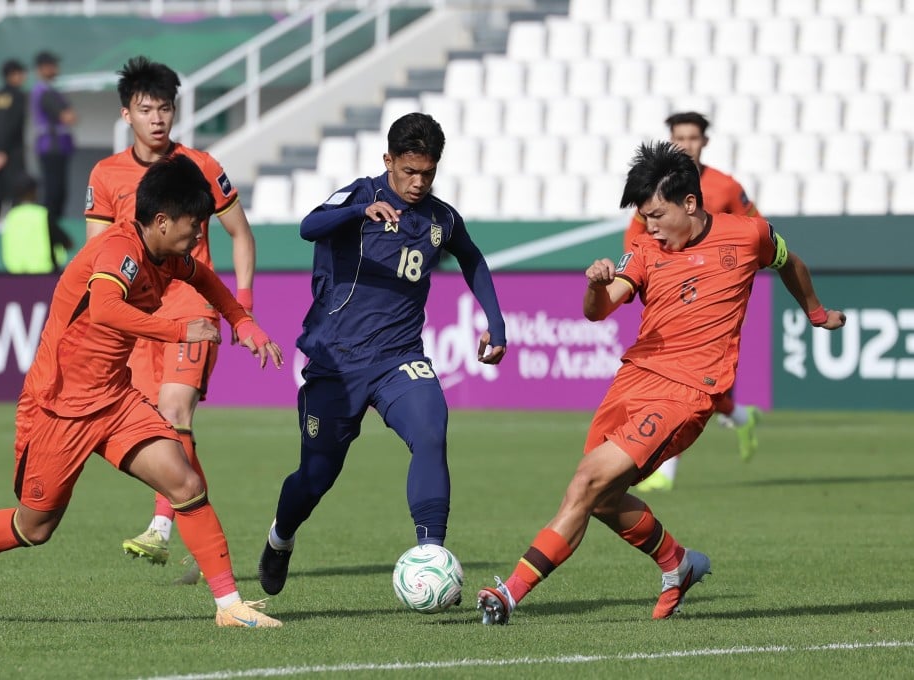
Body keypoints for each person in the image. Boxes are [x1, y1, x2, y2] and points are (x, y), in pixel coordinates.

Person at [476, 141, 845, 626]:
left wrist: (815, 312)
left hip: (688, 393)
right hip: (633, 382)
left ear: (689, 204)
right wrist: (594, 283)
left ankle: (509, 593)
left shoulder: (748, 234)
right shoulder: (645, 251)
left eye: (655, 214)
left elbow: (790, 263)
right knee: (603, 500)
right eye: (643, 216)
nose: (648, 226)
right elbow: (600, 309)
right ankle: (678, 563)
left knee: (585, 484)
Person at [0, 154, 284, 627]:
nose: (200, 234)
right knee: (34, 527)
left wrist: (243, 322)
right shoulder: (121, 251)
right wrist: (178, 329)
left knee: (186, 482)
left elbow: (205, 278)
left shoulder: (167, 255)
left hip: (114, 399)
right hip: (59, 406)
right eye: (194, 224)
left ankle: (228, 606)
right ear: (160, 220)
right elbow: (106, 310)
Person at [256, 112, 508, 597]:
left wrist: (495, 322)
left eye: (427, 173)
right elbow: (309, 227)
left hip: (399, 358)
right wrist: (357, 213)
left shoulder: (441, 218)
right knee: (316, 476)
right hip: (337, 362)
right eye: (409, 171)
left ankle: (431, 553)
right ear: (388, 160)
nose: (418, 183)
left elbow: (472, 257)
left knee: (432, 429)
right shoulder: (360, 195)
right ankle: (280, 539)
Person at [85, 56, 257, 581]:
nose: (157, 119)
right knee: (160, 429)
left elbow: (241, 235)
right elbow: (97, 256)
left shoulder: (200, 166)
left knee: (175, 410)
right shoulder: (106, 174)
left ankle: (161, 526)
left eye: (165, 108)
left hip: (193, 309)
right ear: (126, 115)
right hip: (137, 322)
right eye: (145, 109)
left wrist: (242, 308)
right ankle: (202, 541)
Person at [627, 112, 763, 491]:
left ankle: (664, 470)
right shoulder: (656, 189)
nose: (687, 144)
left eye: (693, 137)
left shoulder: (725, 187)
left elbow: (757, 232)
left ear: (705, 142)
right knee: (692, 382)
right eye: (679, 138)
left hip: (717, 296)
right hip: (672, 294)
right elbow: (636, 235)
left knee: (694, 381)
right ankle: (739, 416)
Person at [31, 50, 77, 239]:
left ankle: (54, 233)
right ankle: (50, 234)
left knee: (59, 193)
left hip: (58, 148)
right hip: (52, 148)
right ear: (42, 68)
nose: (56, 69)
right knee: (53, 193)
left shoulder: (51, 91)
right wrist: (68, 115)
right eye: (52, 65)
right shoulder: (45, 92)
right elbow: (68, 117)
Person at [0, 58, 28, 234]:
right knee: (16, 195)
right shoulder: (17, 96)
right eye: (21, 73)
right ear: (13, 75)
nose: (24, 77)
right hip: (12, 154)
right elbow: (13, 124)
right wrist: (2, 152)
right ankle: (13, 232)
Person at [0, 173, 72, 273]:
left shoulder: (11, 217)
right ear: (33, 191)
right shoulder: (42, 214)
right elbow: (67, 243)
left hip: (15, 277)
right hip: (43, 276)